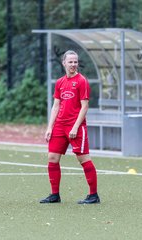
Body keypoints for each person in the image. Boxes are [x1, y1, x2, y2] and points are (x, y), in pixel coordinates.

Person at [40, 50, 100, 204]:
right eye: (70, 62)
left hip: (75, 127)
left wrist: (75, 127)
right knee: (52, 158)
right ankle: (55, 195)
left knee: (83, 158)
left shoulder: (82, 81)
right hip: (59, 126)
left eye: (75, 62)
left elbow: (84, 106)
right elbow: (56, 106)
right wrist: (49, 127)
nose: (73, 64)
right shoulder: (60, 82)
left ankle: (93, 195)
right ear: (64, 63)